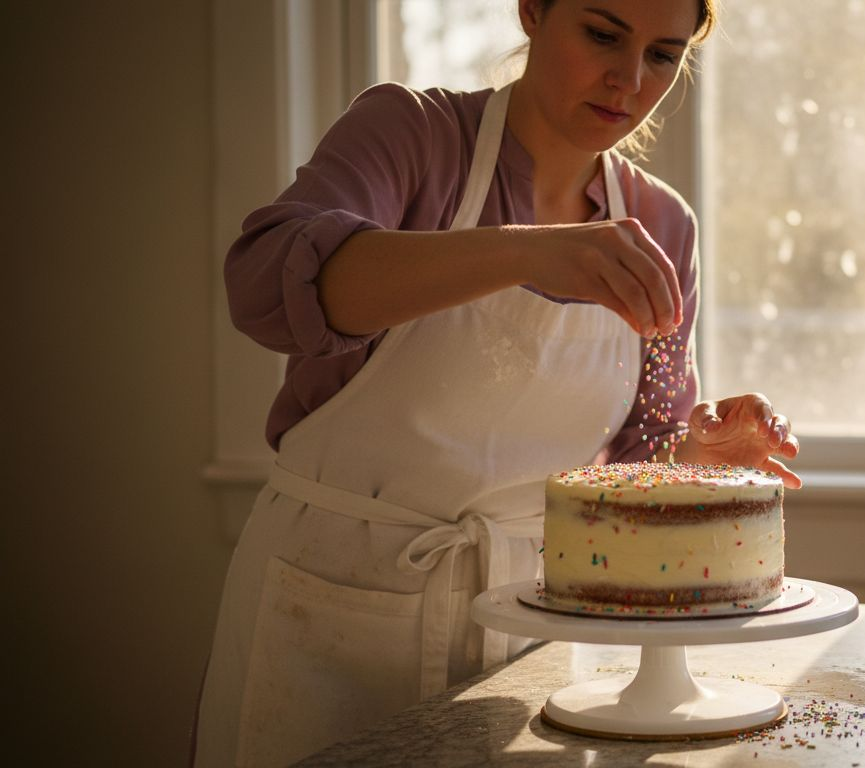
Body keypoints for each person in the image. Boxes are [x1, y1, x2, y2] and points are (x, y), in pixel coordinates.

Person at [194, 1, 800, 764]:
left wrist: (700, 464)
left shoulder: (660, 227)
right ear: (533, 10)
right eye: (603, 34)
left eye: (663, 56)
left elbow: (634, 465)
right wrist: (525, 253)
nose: (629, 80)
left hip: (524, 636)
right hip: (328, 609)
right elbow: (261, 285)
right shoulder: (411, 135)